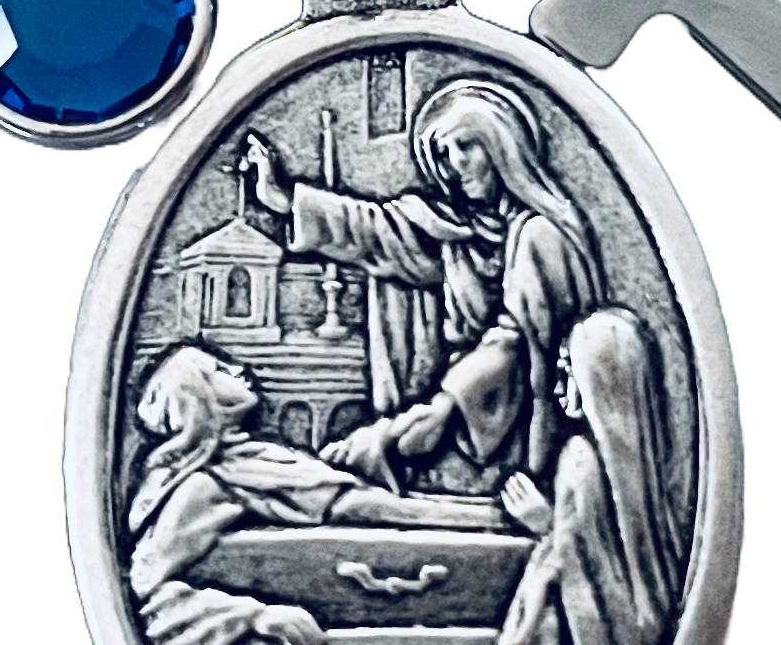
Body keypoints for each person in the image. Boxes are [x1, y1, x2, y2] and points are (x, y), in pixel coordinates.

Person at [241, 79, 604, 498]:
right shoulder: (463, 231)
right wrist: (286, 200)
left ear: (504, 145)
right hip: (466, 414)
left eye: (466, 146)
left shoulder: (542, 236)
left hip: (507, 427)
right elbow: (379, 231)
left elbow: (518, 343)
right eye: (444, 154)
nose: (454, 164)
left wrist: (442, 407)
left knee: (363, 467)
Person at [126, 343, 473, 645]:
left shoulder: (258, 460)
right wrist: (255, 616)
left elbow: (354, 503)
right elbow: (145, 588)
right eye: (217, 370)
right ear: (197, 396)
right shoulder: (204, 484)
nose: (237, 370)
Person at [493, 307, 686, 645]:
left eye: (570, 374)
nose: (560, 389)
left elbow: (583, 570)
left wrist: (545, 524)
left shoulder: (579, 457)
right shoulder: (648, 468)